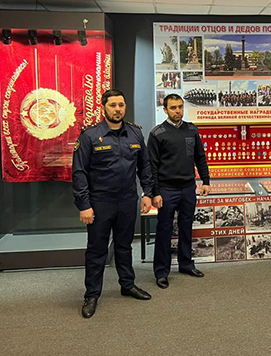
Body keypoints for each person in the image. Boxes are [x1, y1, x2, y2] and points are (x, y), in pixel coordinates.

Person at [72, 89, 154, 319]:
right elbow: (79, 173)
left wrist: (147, 193)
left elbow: (145, 166)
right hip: (100, 202)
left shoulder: (135, 133)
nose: (117, 109)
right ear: (103, 108)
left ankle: (127, 285)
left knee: (124, 246)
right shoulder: (90, 136)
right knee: (97, 250)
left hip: (127, 200)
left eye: (121, 105)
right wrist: (84, 205)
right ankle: (91, 295)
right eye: (113, 105)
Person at [148, 94, 211, 289]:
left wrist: (206, 181)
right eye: (173, 107)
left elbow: (200, 157)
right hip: (166, 189)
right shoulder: (157, 133)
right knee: (164, 231)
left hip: (188, 188)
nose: (178, 111)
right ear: (165, 110)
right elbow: (152, 166)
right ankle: (161, 272)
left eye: (180, 107)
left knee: (186, 227)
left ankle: (186, 264)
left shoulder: (191, 130)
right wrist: (155, 192)